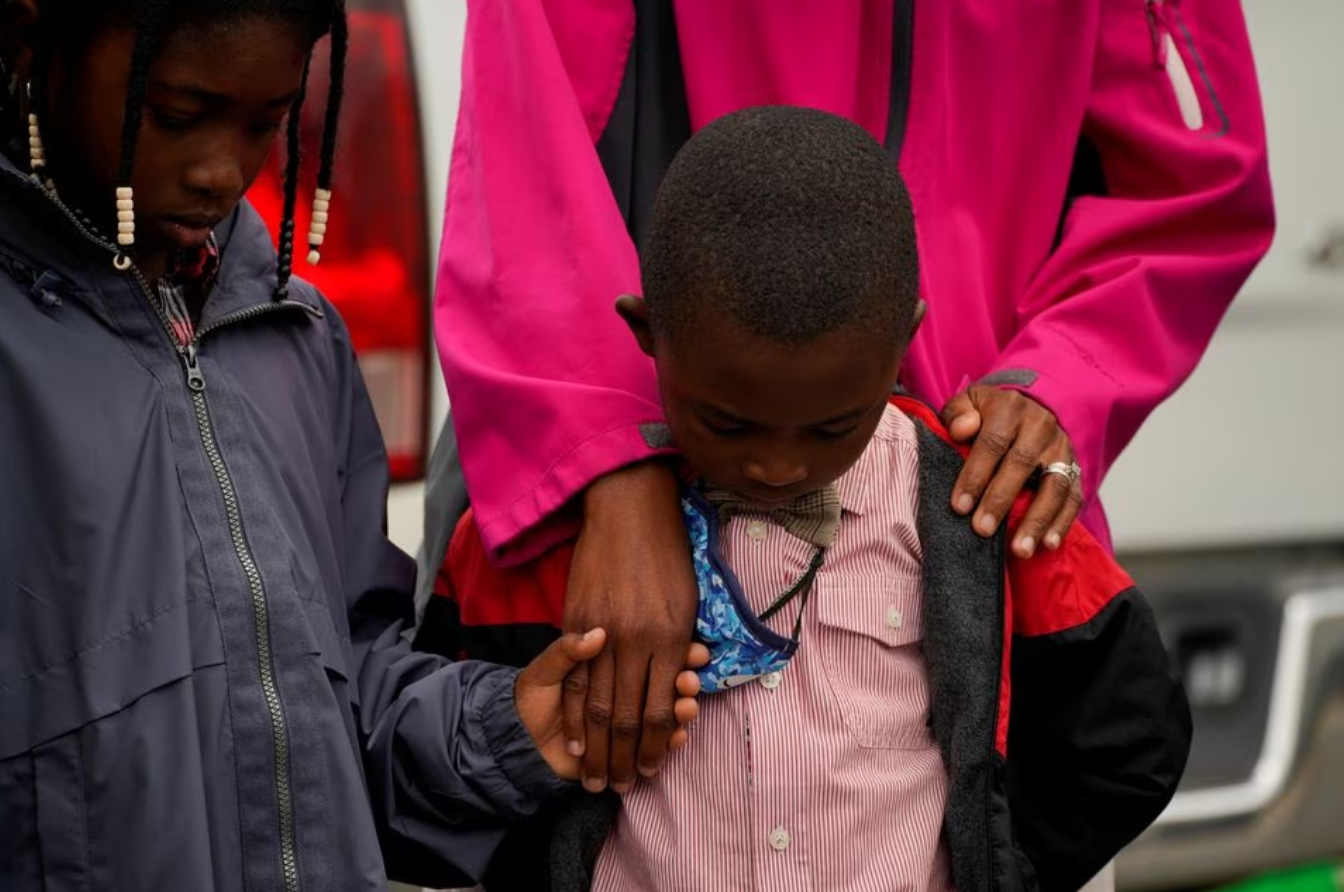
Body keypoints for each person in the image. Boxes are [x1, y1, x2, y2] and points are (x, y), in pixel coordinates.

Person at [427, 0, 1275, 803]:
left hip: (982, 533)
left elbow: (1193, 180)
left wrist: (1064, 378)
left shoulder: (1014, 551)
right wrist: (607, 458)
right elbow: (519, 149)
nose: (778, 467)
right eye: (748, 429)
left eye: (823, 427)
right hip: (603, 523)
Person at [0, 2, 699, 889]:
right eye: (177, 115)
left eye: (268, 122)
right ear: (28, 36)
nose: (223, 170)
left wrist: (505, 728)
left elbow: (351, 687)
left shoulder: (296, 335)